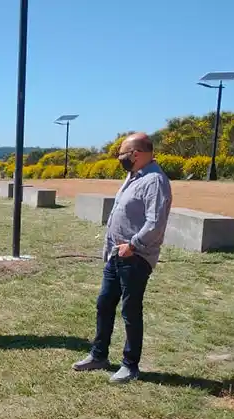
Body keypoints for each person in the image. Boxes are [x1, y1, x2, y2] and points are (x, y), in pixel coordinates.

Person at [73, 133, 172, 383]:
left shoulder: (155, 181)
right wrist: (110, 250)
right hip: (116, 256)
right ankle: (99, 355)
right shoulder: (133, 177)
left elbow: (156, 222)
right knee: (104, 304)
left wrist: (134, 245)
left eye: (122, 155)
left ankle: (130, 365)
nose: (120, 159)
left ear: (136, 154)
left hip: (135, 258)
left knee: (130, 310)